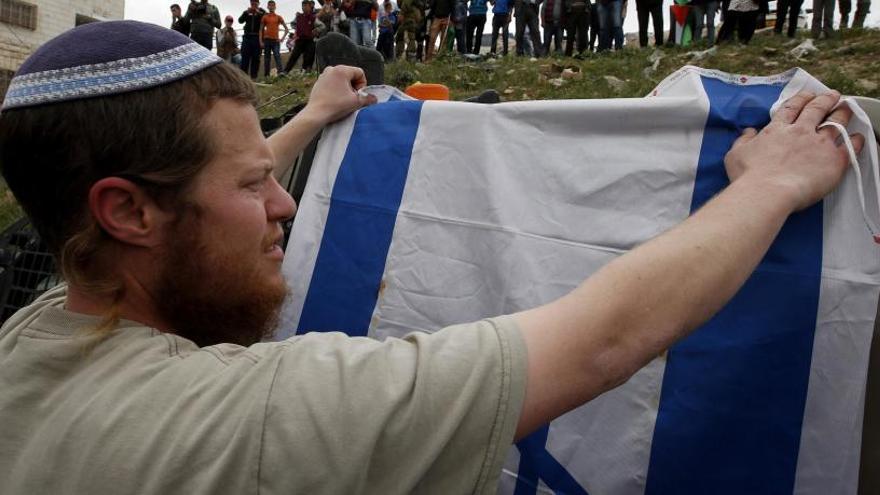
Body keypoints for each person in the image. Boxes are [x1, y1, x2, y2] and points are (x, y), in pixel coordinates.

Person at [0, 18, 865, 495]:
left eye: (273, 173)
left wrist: (303, 121)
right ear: (129, 210)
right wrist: (768, 188)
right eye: (254, 184)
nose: (284, 205)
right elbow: (605, 338)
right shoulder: (251, 422)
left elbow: (203, 189)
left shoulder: (33, 339)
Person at [284, 0, 318, 73]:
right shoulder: (298, 16)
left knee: (309, 55)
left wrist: (315, 31)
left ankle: (306, 70)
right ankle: (286, 71)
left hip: (310, 39)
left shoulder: (314, 17)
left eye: (306, 6)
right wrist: (298, 29)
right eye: (303, 6)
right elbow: (292, 24)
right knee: (294, 56)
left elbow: (321, 26)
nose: (305, 7)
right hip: (300, 39)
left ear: (310, 7)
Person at [260, 0, 290, 77]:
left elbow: (286, 29)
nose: (271, 7)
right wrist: (261, 41)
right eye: (270, 5)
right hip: (267, 40)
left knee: (277, 56)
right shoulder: (265, 17)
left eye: (273, 5)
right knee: (267, 58)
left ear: (275, 7)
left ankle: (281, 73)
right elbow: (261, 30)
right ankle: (266, 75)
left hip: (275, 40)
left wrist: (282, 38)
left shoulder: (278, 17)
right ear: (267, 7)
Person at [239, 0, 266, 79]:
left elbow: (266, 19)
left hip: (257, 37)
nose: (253, 4)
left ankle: (254, 77)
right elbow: (240, 21)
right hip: (247, 37)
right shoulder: (247, 12)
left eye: (255, 2)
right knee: (245, 57)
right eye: (252, 2)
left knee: (256, 58)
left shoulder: (262, 11)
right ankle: (243, 77)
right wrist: (246, 12)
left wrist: (258, 12)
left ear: (258, 3)